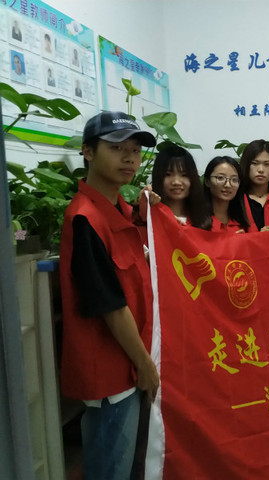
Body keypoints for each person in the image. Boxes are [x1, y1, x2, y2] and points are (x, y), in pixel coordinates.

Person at [59, 111, 160, 479]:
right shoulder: (86, 218)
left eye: (134, 150)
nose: (129, 158)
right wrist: (146, 366)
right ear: (88, 151)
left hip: (129, 365)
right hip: (111, 374)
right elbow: (111, 306)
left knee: (128, 463)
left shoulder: (121, 212)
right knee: (111, 469)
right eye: (117, 148)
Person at [151, 145, 212, 230]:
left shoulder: (205, 221)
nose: (176, 182)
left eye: (184, 175)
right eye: (168, 174)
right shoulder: (147, 218)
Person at [203, 156, 251, 233]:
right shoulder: (196, 220)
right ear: (207, 181)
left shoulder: (243, 222)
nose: (228, 185)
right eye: (220, 178)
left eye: (234, 179)